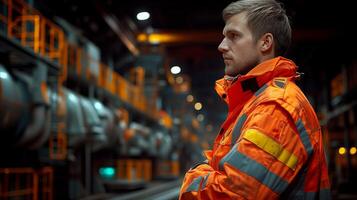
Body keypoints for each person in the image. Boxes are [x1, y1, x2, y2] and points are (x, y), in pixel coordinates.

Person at [179, 0, 331, 199]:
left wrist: (192, 180)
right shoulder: (256, 103)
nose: (221, 46)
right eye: (224, 37)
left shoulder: (275, 108)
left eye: (233, 36)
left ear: (265, 43)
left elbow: (232, 193)